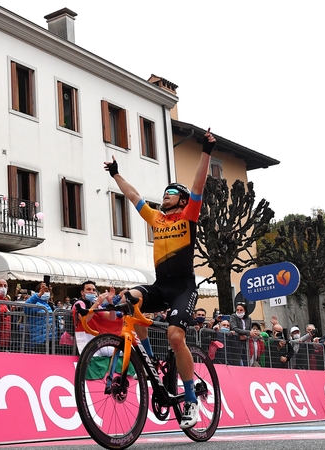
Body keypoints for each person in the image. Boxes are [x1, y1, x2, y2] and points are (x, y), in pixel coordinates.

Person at [103, 127, 216, 430]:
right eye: (165, 194)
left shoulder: (188, 214)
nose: (165, 197)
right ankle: (149, 361)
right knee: (128, 301)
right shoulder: (156, 218)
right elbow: (133, 195)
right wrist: (116, 174)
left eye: (170, 194)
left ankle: (191, 400)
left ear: (180, 201)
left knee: (176, 336)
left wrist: (206, 151)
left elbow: (198, 184)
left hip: (183, 288)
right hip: (160, 285)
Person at [23, 282, 55, 351]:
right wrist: (40, 294)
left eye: (47, 290)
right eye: (44, 289)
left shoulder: (49, 305)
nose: (46, 292)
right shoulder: (35, 303)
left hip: (51, 340)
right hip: (39, 340)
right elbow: (26, 307)